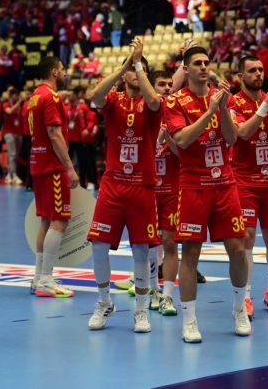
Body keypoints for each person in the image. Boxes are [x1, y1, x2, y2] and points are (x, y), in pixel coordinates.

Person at [165, 45, 249, 343]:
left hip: (225, 184)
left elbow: (231, 138)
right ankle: (189, 321)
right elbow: (182, 140)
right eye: (197, 63)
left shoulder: (221, 96)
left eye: (206, 62)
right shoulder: (174, 101)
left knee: (238, 250)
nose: (203, 67)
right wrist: (209, 112)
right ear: (186, 69)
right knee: (191, 254)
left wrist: (222, 107)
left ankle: (239, 309)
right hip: (193, 186)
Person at [86, 38, 162, 333]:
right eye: (130, 68)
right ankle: (104, 302)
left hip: (142, 186)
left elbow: (154, 101)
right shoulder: (114, 100)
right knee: (99, 246)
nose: (133, 70)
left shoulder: (152, 102)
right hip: (113, 184)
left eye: (138, 68)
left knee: (141, 251)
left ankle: (141, 310)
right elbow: (94, 96)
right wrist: (123, 68)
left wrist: (138, 65)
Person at [231, 56, 268, 321]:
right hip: (245, 180)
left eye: (261, 70)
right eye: (252, 70)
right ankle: (246, 296)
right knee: (247, 238)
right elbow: (243, 132)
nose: (258, 74)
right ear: (241, 76)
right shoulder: (234, 102)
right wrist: (267, 103)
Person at [28, 56, 79, 297]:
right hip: (52, 166)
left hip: (38, 163)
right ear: (55, 72)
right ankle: (46, 280)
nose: (65, 73)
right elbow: (54, 134)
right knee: (60, 220)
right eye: (63, 69)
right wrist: (69, 167)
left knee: (47, 221)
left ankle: (39, 278)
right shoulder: (51, 97)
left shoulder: (34, 96)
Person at [150, 70, 179, 315]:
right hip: (148, 189)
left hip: (172, 189)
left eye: (170, 84)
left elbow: (184, 154)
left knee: (170, 243)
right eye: (162, 84)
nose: (168, 88)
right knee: (147, 244)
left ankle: (167, 296)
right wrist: (156, 141)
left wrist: (169, 139)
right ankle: (152, 290)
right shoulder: (144, 114)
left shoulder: (178, 114)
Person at [0, 87, 24, 185]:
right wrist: (19, 102)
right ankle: (14, 175)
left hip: (18, 132)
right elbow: (9, 111)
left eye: (18, 96)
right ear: (11, 96)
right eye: (15, 96)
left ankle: (9, 174)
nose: (17, 98)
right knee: (12, 154)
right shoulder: (6, 104)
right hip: (9, 133)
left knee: (15, 155)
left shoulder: (20, 106)